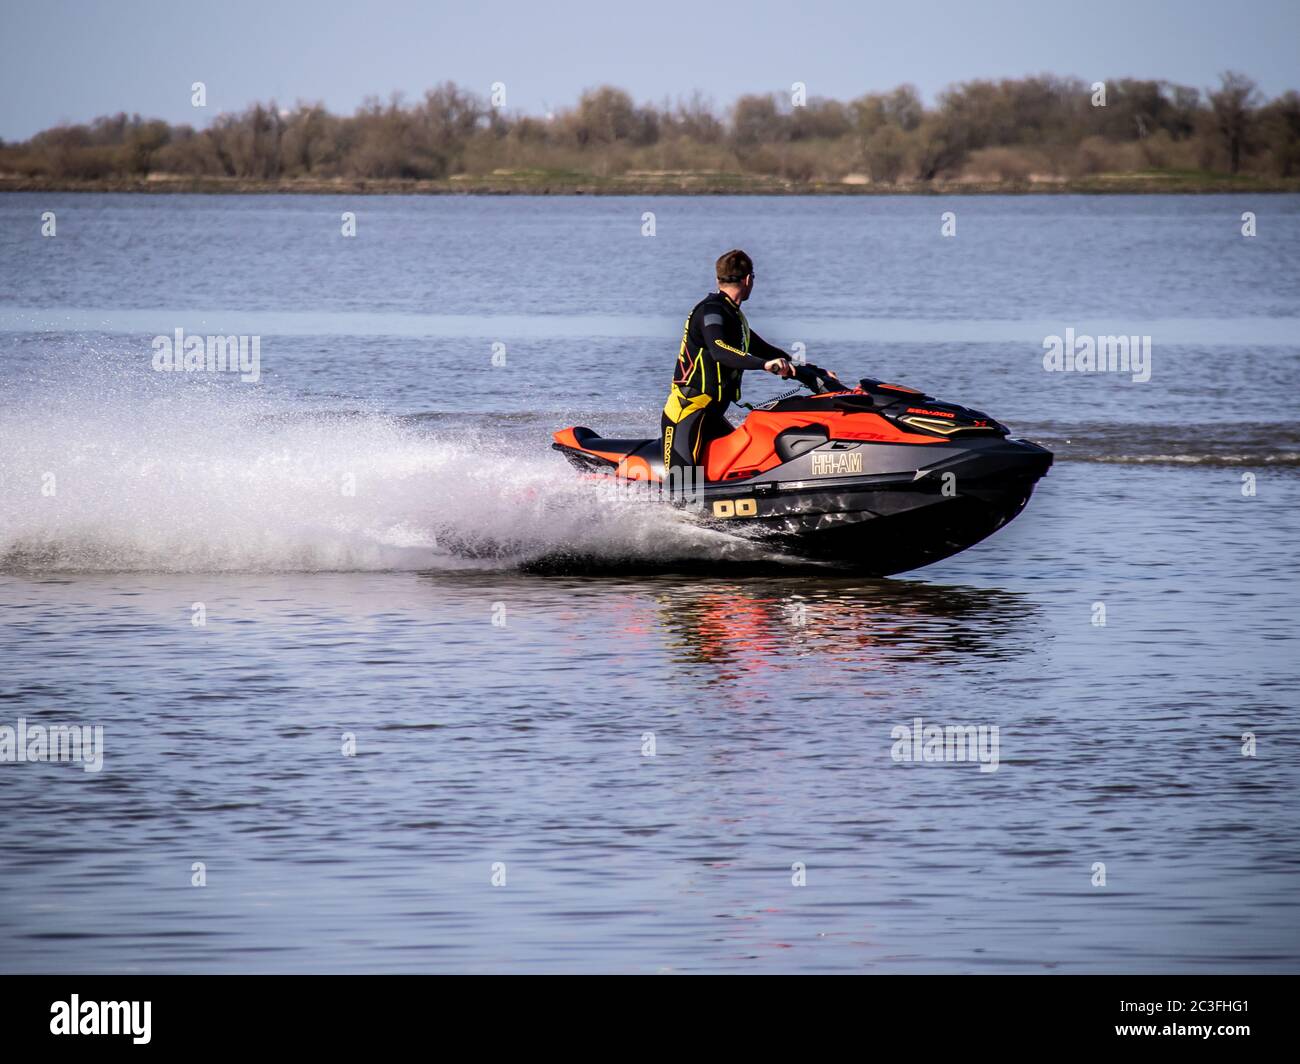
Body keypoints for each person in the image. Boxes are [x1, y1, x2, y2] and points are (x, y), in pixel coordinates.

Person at [661, 249, 796, 481]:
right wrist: (766, 366)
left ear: (718, 280)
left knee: (738, 472)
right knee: (682, 489)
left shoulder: (733, 317)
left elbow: (765, 350)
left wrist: (808, 370)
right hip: (688, 412)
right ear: (748, 279)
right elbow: (720, 350)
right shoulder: (710, 311)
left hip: (711, 415)